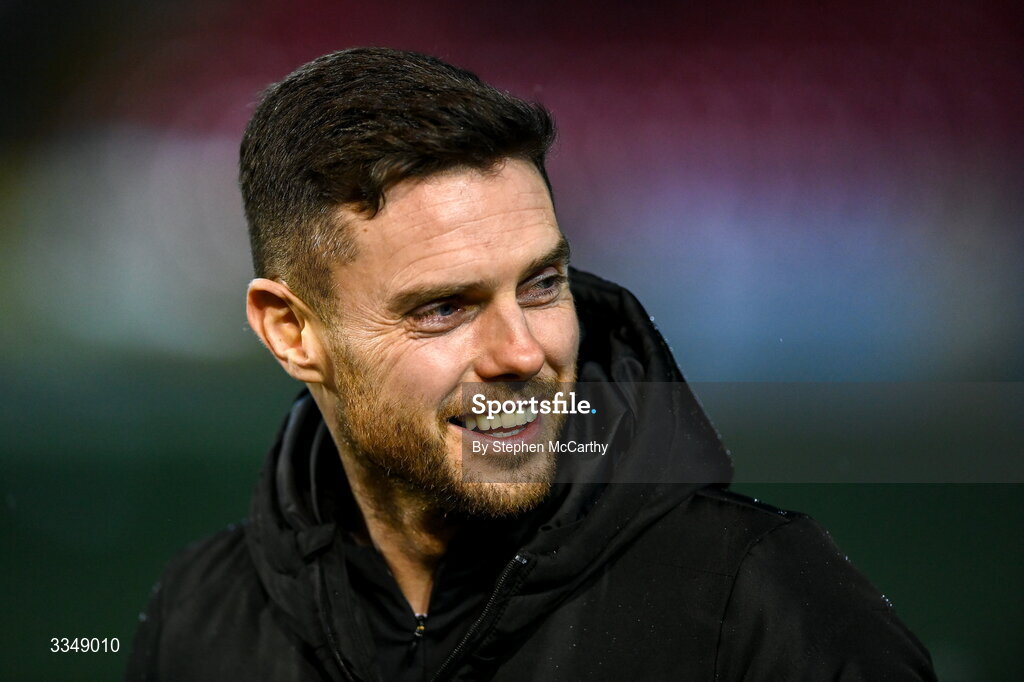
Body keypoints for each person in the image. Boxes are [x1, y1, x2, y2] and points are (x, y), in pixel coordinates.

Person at [126, 47, 936, 681]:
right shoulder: (200, 619)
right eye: (443, 308)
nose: (525, 352)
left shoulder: (766, 605)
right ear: (292, 333)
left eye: (543, 284)